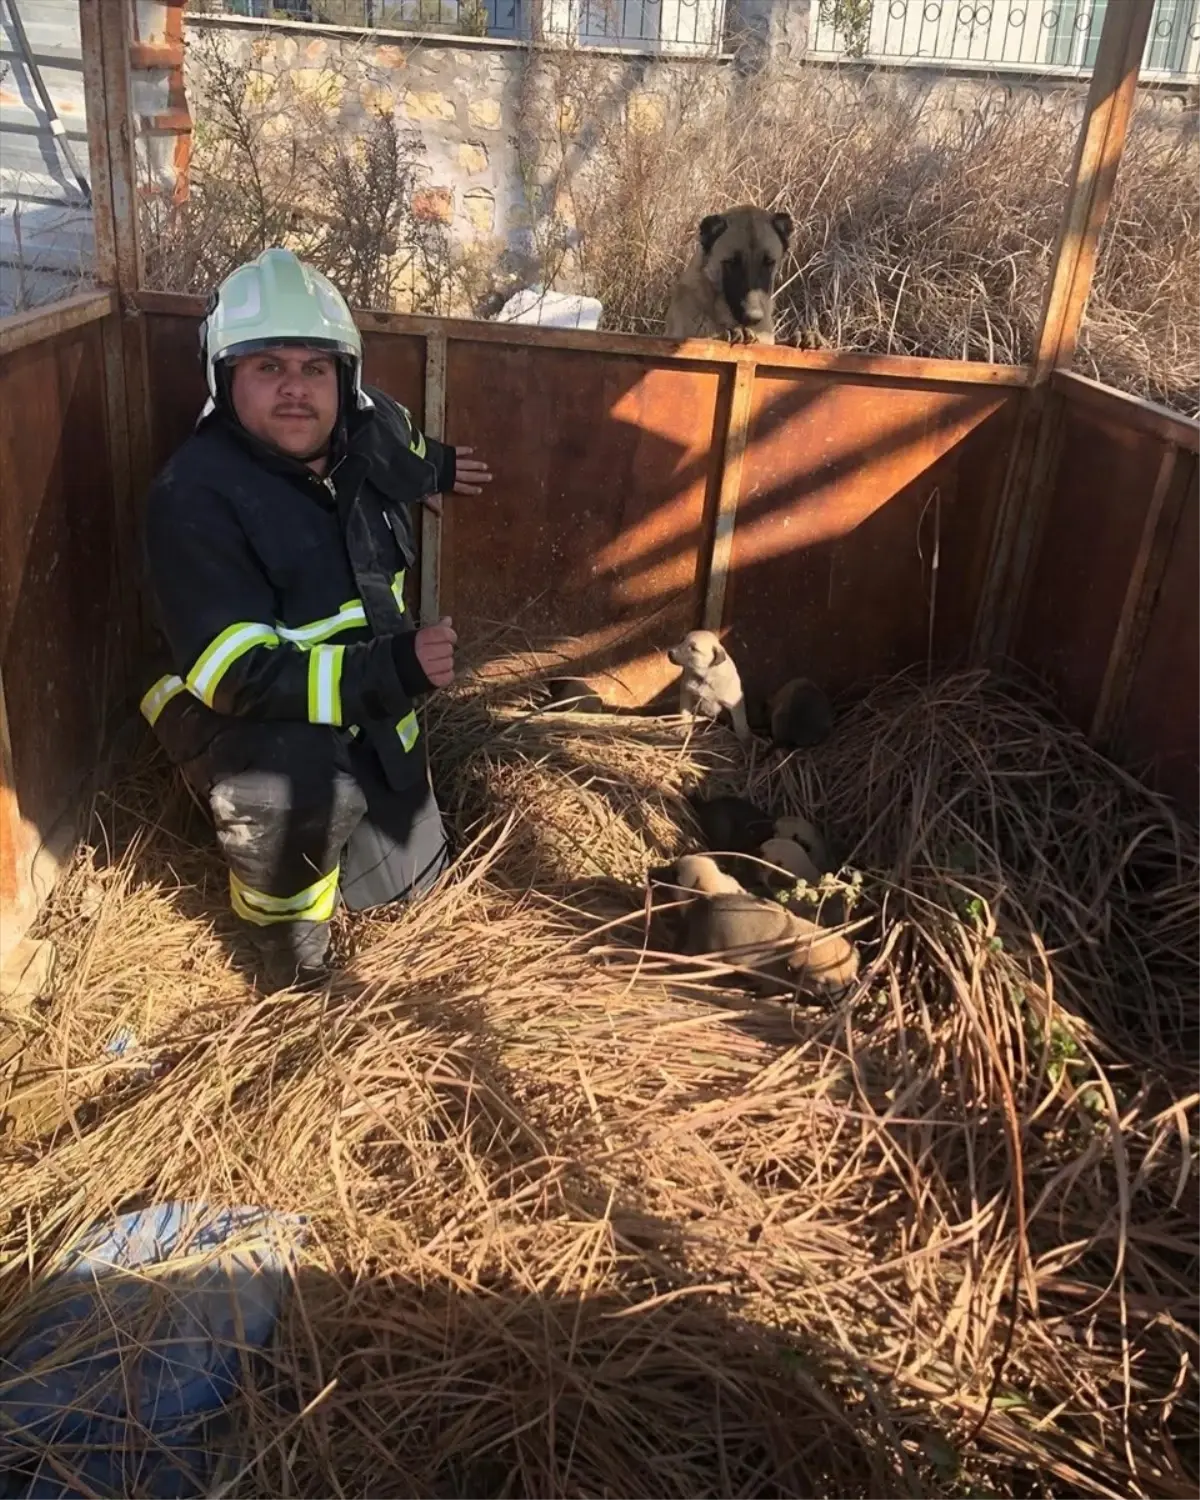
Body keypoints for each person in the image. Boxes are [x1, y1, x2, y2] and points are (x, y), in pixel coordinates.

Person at [141, 247, 492, 988]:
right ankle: (287, 952)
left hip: (362, 715)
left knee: (407, 887)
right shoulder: (195, 495)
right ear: (223, 378)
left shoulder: (362, 442)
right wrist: (394, 668)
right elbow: (234, 672)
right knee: (279, 787)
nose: (296, 390)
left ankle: (349, 825)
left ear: (346, 381)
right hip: (250, 718)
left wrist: (441, 468)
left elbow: (406, 446)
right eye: (268, 367)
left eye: (316, 368)